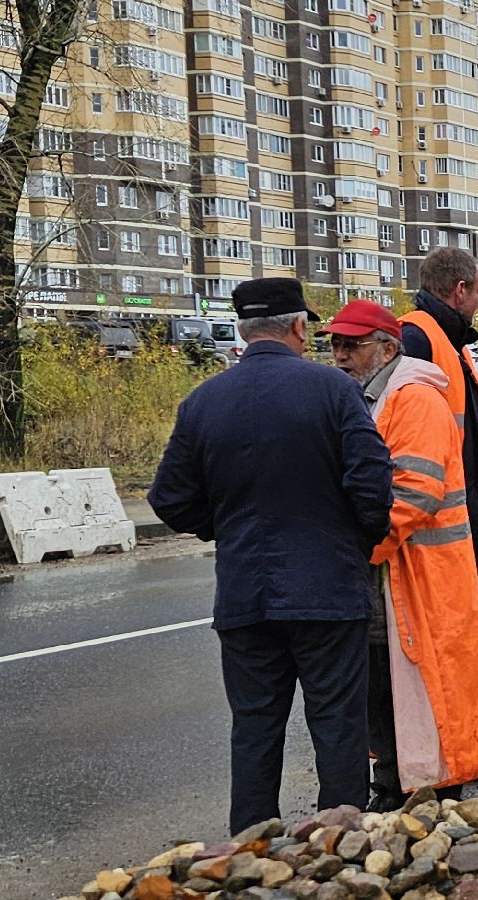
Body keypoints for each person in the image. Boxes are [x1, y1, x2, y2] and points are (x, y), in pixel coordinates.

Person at [147, 279, 393, 834]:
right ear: (300, 327)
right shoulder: (333, 391)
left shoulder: (203, 401)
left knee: (255, 726)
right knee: (337, 722)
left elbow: (168, 499)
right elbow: (373, 484)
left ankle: (250, 858)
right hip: (329, 591)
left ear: (242, 329)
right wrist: (353, 541)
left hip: (245, 592)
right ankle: (341, 850)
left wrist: (226, 529)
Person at [323, 300, 478, 809]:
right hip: (400, 576)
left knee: (423, 689)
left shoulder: (412, 400)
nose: (339, 354)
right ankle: (400, 785)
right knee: (389, 687)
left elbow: (411, 495)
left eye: (351, 344)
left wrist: (359, 551)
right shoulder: (375, 398)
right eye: (334, 343)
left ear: (387, 348)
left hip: (420, 577)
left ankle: (427, 794)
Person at [399, 247, 478, 584]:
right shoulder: (415, 339)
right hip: (429, 527)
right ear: (460, 290)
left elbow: (468, 426)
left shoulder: (452, 343)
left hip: (458, 516)